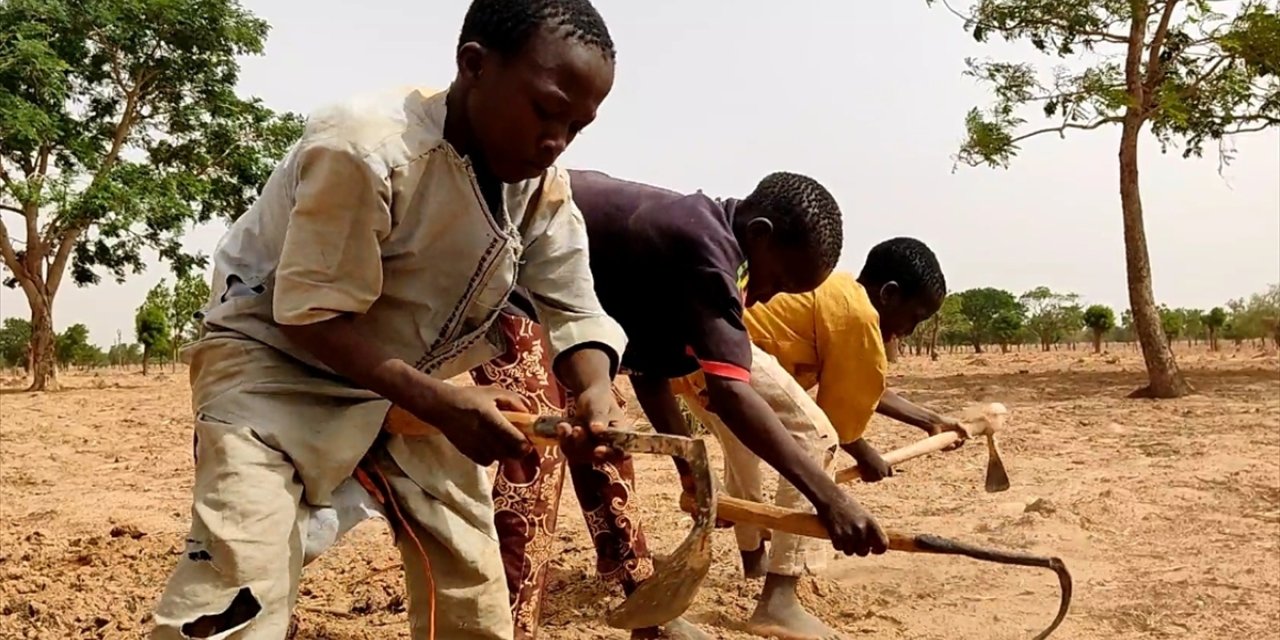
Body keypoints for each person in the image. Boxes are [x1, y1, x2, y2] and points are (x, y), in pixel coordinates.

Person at [149, 1, 627, 639]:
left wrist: (594, 386)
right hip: (274, 368)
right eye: (545, 110)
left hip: (410, 380)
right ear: (474, 66)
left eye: (577, 126)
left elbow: (574, 304)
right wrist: (440, 405)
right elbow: (308, 314)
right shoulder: (365, 147)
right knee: (238, 587)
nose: (556, 141)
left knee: (470, 582)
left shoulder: (540, 189)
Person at [671, 236, 956, 639]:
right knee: (815, 438)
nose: (909, 331)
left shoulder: (837, 295)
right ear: (889, 295)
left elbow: (865, 388)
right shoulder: (858, 315)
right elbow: (835, 424)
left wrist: (931, 421)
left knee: (744, 464)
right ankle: (779, 597)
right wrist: (865, 452)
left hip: (694, 361)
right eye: (916, 317)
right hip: (732, 353)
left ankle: (753, 562)